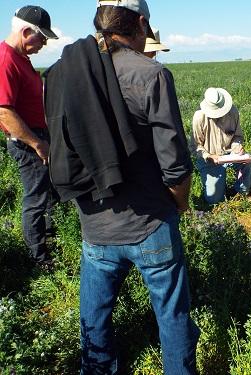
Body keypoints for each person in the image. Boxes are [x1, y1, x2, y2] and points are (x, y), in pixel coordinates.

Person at [43, 0, 199, 373]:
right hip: (150, 224)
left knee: (94, 318)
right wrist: (179, 204)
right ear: (141, 23)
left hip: (95, 225)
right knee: (172, 316)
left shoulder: (61, 73)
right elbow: (175, 165)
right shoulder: (151, 74)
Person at [0, 5, 58, 269]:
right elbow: (4, 112)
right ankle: (38, 259)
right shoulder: (6, 59)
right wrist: (37, 144)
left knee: (46, 194)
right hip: (28, 142)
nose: (44, 44)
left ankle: (47, 239)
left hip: (38, 137)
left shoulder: (21, 58)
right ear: (25, 32)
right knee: (35, 199)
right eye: (42, 38)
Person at [191, 87, 251, 204]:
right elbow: (195, 146)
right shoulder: (199, 117)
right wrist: (208, 156)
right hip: (209, 159)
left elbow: (237, 135)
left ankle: (242, 191)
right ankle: (220, 188)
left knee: (249, 162)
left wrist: (237, 145)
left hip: (230, 153)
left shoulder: (233, 112)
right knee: (214, 200)